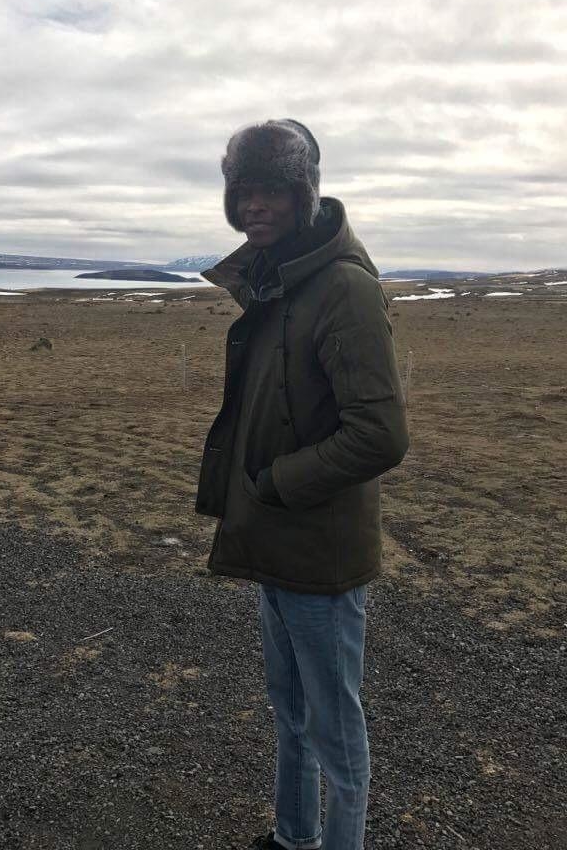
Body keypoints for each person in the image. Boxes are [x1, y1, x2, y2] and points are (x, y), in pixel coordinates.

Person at [195, 119, 409, 850]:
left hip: (319, 550)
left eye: (272, 190)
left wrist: (278, 483)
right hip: (273, 536)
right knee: (289, 710)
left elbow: (380, 434)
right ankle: (294, 837)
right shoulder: (277, 278)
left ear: (304, 195)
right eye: (242, 191)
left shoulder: (343, 287)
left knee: (335, 730)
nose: (254, 205)